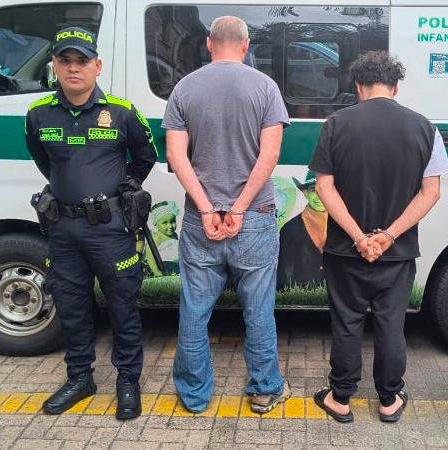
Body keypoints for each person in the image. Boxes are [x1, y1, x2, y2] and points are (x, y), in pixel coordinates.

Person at [24, 27, 157, 421]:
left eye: (82, 61)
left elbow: (145, 157)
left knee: (123, 306)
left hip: (111, 231)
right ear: (55, 66)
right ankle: (80, 378)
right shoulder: (38, 114)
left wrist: (122, 192)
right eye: (65, 61)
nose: (73, 68)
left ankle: (128, 381)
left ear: (97, 67)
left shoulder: (121, 111)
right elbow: (43, 161)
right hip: (63, 230)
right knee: (72, 306)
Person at [307, 51, 447, 423]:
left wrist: (358, 237)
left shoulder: (336, 123)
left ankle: (340, 398)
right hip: (397, 252)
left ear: (358, 87)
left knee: (347, 321)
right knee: (391, 323)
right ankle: (388, 400)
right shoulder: (425, 127)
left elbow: (324, 187)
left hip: (345, 250)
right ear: (395, 86)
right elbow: (431, 192)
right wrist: (387, 236)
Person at [163, 16, 290, 415]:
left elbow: (175, 155)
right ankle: (265, 389)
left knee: (195, 310)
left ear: (208, 44)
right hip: (253, 217)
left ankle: (195, 396)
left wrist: (205, 208)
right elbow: (269, 156)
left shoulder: (184, 88)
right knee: (258, 309)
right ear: (247, 44)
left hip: (201, 221)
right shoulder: (266, 87)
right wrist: (238, 207)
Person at [275, 171, 328, 292]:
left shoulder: (342, 227)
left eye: (324, 189)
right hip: (301, 299)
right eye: (313, 190)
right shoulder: (289, 229)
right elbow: (284, 274)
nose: (319, 195)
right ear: (305, 193)